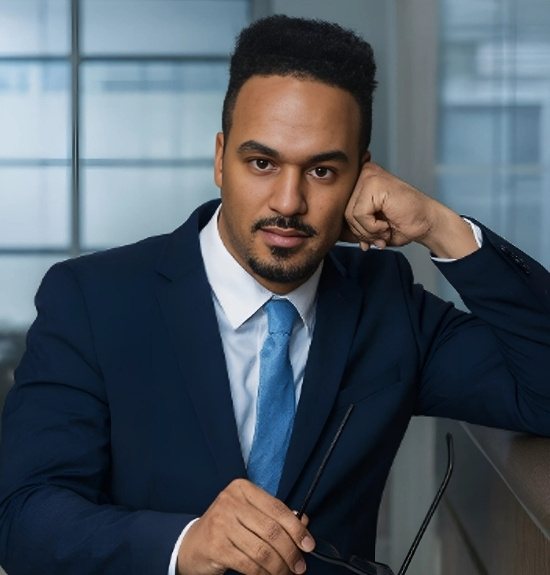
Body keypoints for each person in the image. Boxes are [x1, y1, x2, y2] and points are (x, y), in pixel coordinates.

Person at [1, 13, 549, 575]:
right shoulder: (93, 301)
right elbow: (24, 519)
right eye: (262, 163)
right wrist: (183, 544)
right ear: (221, 158)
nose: (288, 201)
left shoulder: (387, 305)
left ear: (362, 175)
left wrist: (443, 227)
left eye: (321, 171)